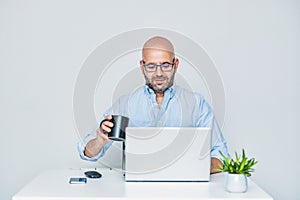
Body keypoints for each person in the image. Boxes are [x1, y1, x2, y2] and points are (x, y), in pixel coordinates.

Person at [78, 36, 229, 174]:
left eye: (165, 65)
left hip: (184, 189)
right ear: (142, 66)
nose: (158, 73)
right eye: (151, 66)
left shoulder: (197, 104)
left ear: (175, 64)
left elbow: (222, 158)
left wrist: (187, 166)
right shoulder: (125, 104)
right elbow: (87, 154)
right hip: (136, 189)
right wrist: (99, 141)